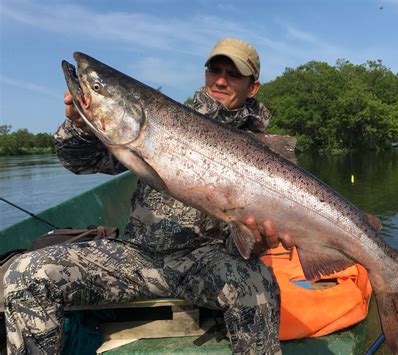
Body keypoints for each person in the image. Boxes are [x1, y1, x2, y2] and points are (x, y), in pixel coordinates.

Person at [3, 38, 295, 354]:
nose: (221, 80)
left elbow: (250, 244)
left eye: (233, 73)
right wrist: (82, 127)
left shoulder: (266, 154)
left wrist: (261, 241)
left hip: (204, 262)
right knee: (24, 273)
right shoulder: (153, 117)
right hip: (137, 255)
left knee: (258, 283)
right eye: (214, 69)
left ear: (253, 87)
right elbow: (80, 161)